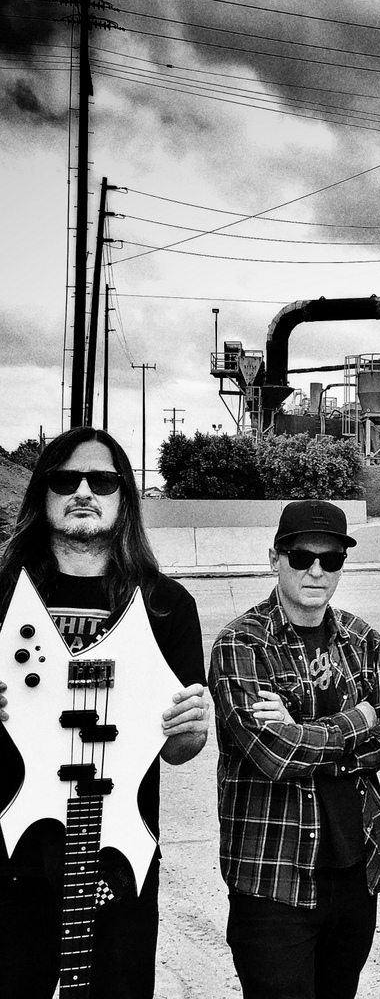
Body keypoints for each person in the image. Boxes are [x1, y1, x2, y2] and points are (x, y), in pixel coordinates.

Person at [0, 426, 209, 999]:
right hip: (11, 856)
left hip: (117, 855)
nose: (83, 492)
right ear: (43, 492)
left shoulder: (167, 605)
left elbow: (180, 748)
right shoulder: (3, 595)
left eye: (102, 480)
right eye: (66, 479)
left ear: (125, 496)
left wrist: (192, 728)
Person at [209, 499, 380, 999]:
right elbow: (275, 756)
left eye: (331, 559)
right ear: (275, 558)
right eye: (301, 557)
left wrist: (302, 730)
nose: (316, 571)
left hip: (356, 870)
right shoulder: (241, 645)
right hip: (273, 877)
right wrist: (358, 720)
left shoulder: (362, 639)